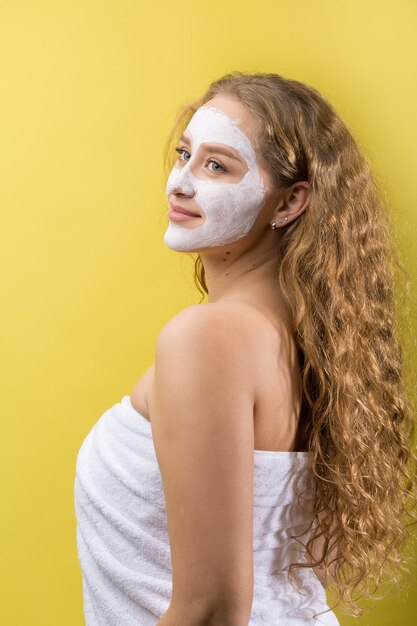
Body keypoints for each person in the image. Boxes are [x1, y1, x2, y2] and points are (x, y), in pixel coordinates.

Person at [74, 72, 417, 626]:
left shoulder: (208, 339)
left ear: (289, 202)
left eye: (216, 166)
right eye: (184, 154)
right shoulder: (316, 342)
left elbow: (212, 610)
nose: (180, 183)